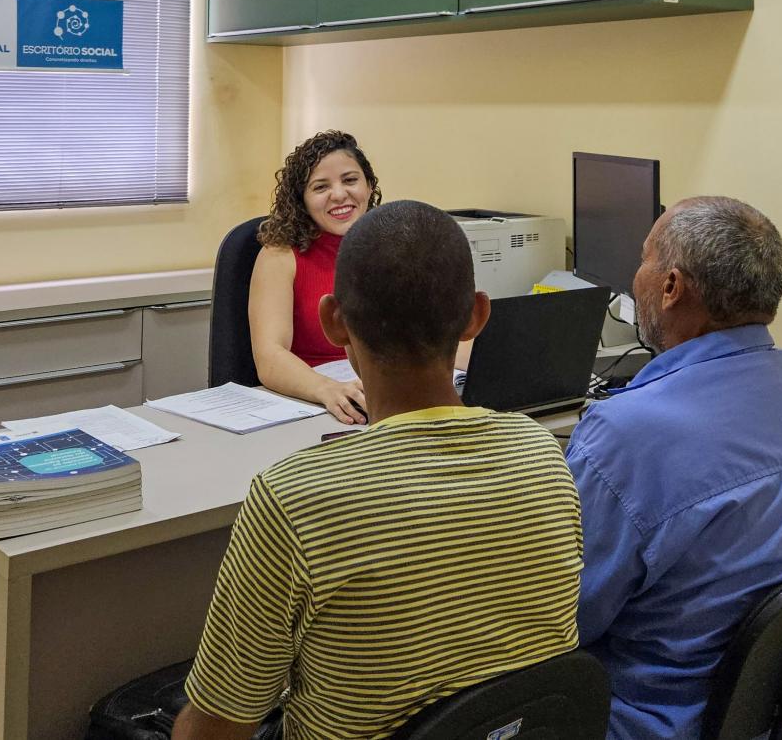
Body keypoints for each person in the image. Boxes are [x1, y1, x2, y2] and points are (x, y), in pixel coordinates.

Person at [172, 200, 584, 740]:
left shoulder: (295, 498)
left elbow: (214, 730)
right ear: (477, 316)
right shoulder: (544, 456)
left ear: (333, 321)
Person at [566, 196, 782, 740]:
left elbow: (561, 618)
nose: (635, 276)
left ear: (671, 286)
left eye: (644, 259)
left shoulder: (625, 434)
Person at [249, 130, 381, 425]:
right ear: (302, 201)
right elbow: (270, 356)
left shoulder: (393, 245)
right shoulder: (279, 256)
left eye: (350, 180)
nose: (339, 194)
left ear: (369, 185)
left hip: (384, 399)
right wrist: (327, 390)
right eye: (321, 187)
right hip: (313, 405)